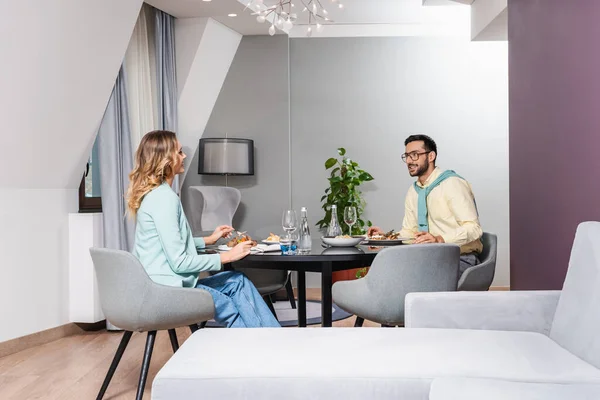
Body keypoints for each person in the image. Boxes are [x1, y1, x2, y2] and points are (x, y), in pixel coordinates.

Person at [127, 130, 280, 328]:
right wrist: (226, 257)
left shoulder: (155, 195)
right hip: (167, 292)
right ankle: (269, 347)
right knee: (232, 298)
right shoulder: (165, 199)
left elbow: (167, 243)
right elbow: (180, 262)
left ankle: (269, 344)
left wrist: (209, 240)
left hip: (156, 285)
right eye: (179, 152)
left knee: (237, 282)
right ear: (165, 160)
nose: (184, 156)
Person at [368, 134, 483, 276]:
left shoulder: (452, 184)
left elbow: (474, 228)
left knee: (406, 277)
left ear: (431, 156)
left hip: (459, 259)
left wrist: (439, 240)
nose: (409, 161)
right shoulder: (413, 191)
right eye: (407, 156)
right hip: (426, 259)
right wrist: (385, 238)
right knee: (388, 271)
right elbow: (410, 232)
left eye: (415, 155)